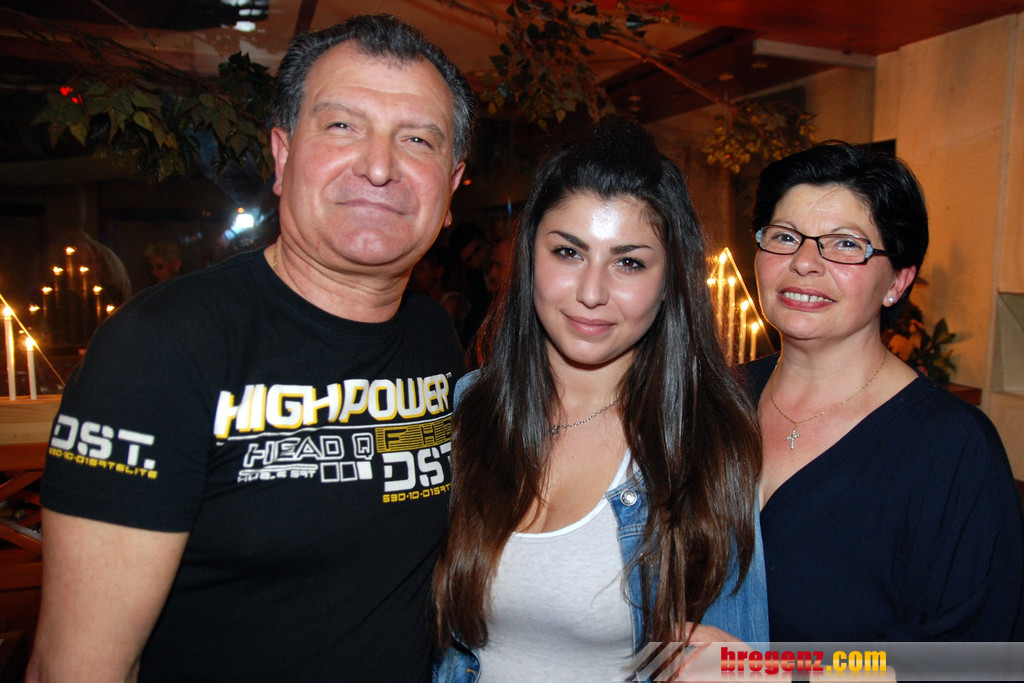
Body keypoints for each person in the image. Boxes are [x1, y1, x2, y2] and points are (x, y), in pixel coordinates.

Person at [28, 14, 475, 681]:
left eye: (417, 139)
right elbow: (78, 667)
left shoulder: (433, 336)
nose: (380, 166)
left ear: (452, 186)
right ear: (282, 156)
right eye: (342, 125)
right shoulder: (160, 349)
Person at [433, 115, 767, 682]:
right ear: (529, 255)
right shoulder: (470, 409)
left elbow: (738, 660)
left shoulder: (708, 444)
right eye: (568, 253)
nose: (592, 292)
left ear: (670, 278)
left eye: (628, 262)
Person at [743, 141, 1024, 642]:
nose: (804, 262)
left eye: (846, 244)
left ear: (898, 281)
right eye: (784, 237)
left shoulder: (952, 449)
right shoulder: (715, 399)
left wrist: (763, 670)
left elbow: (971, 663)